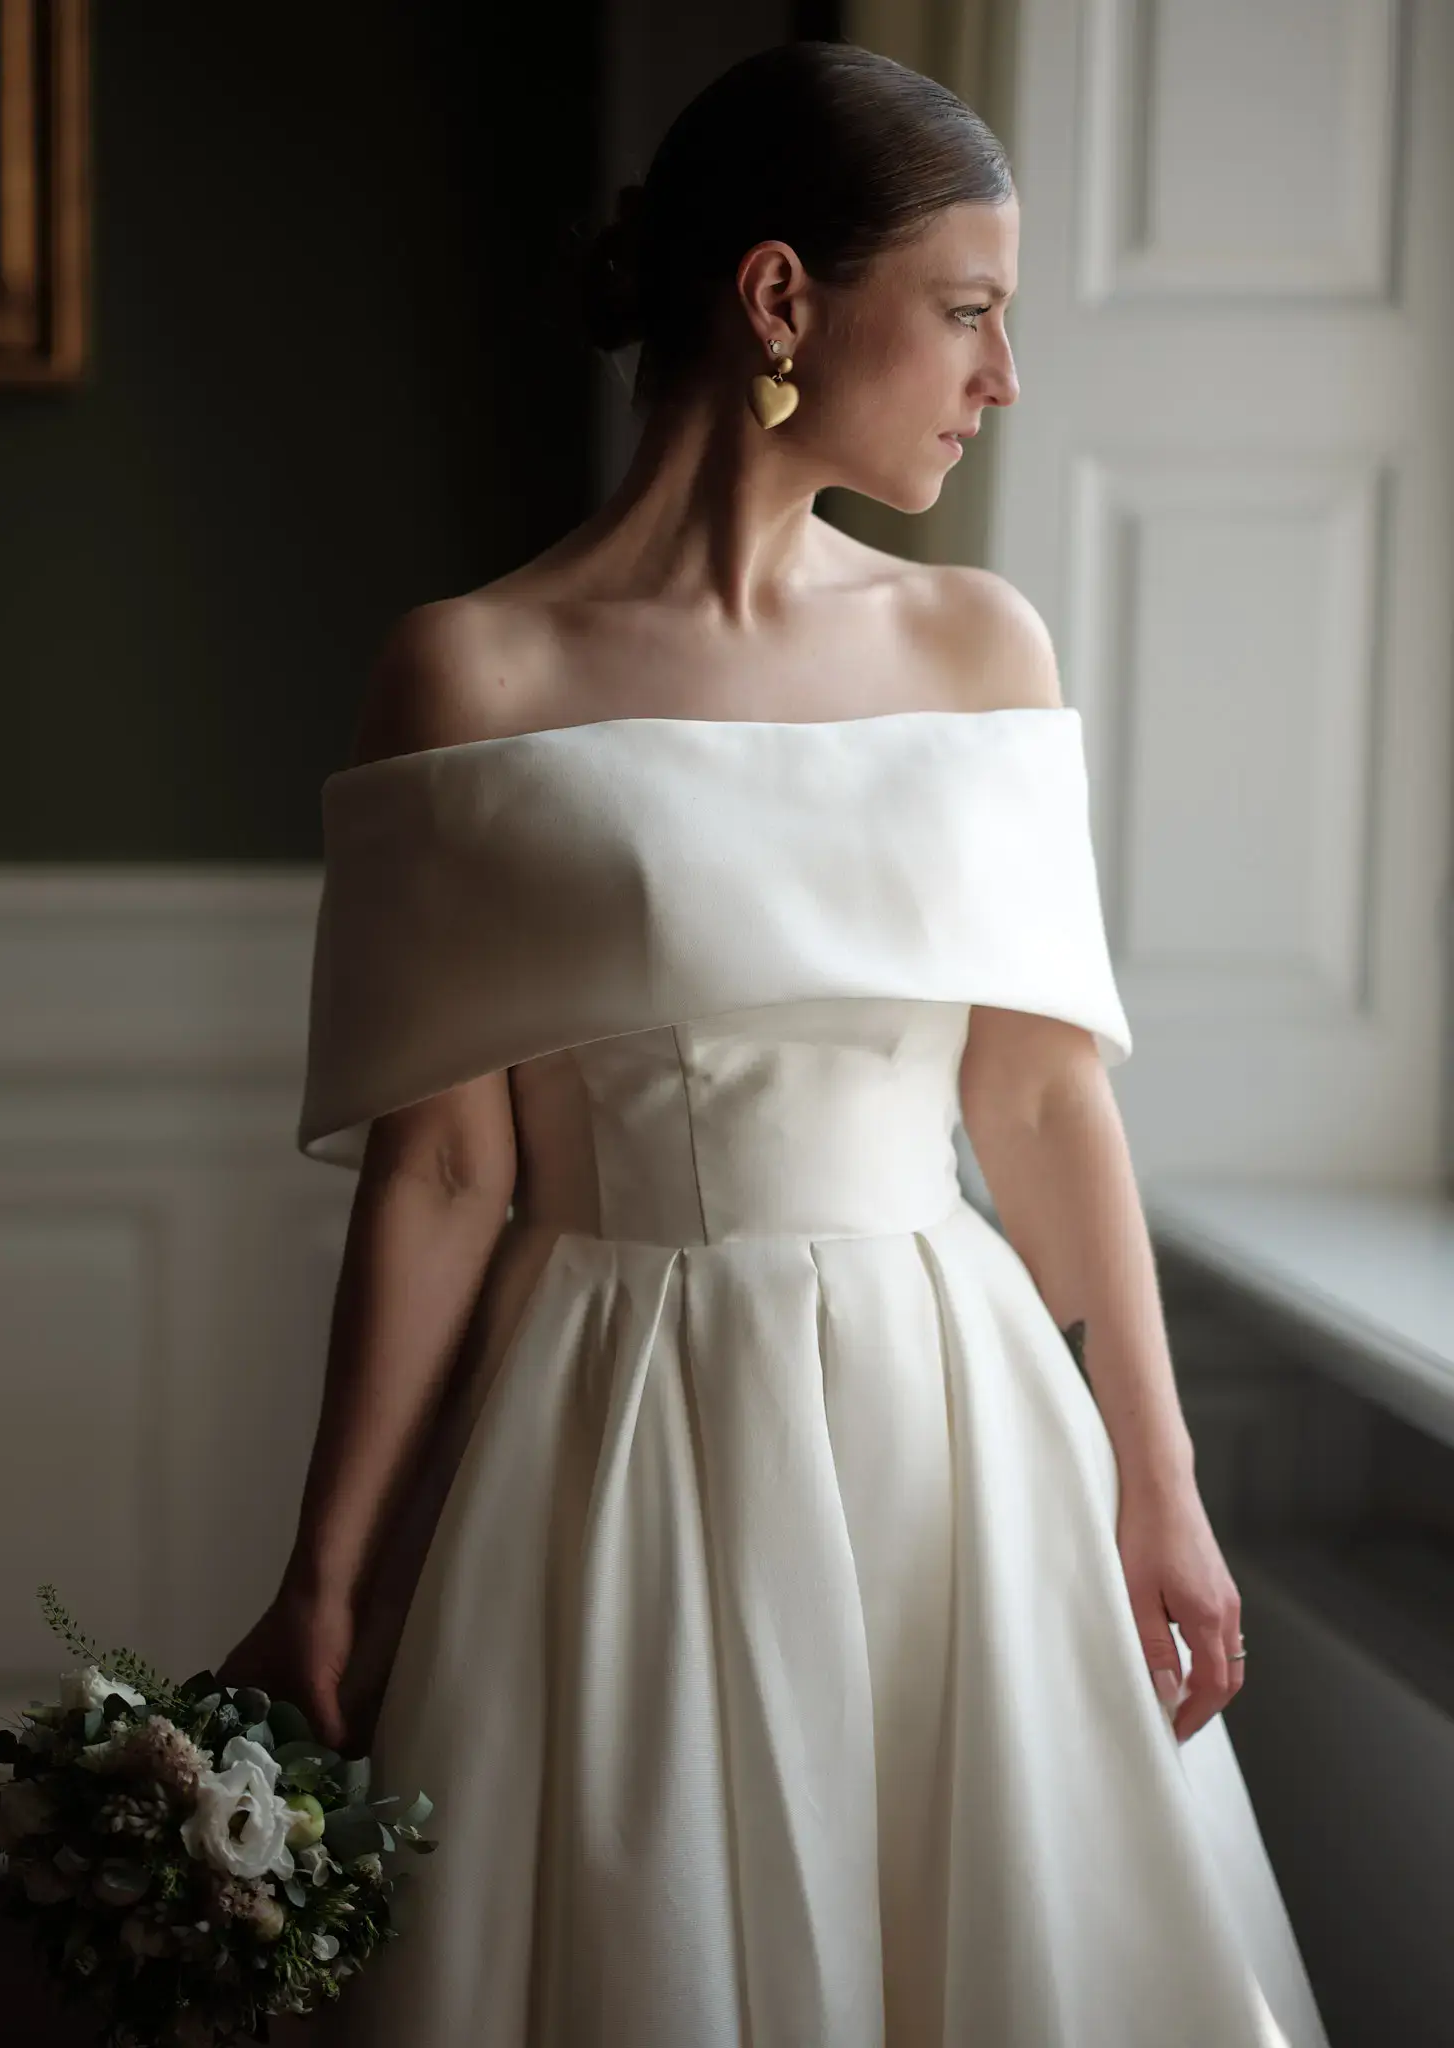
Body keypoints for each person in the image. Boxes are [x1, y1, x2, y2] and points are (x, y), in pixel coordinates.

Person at [217, 39, 1332, 2048]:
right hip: (610, 1418)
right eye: (974, 309)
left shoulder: (979, 642)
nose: (1008, 378)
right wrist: (329, 1568)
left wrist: (1154, 1475)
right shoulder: (471, 669)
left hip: (951, 1415)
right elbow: (451, 1166)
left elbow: (1039, 1087)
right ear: (782, 301)